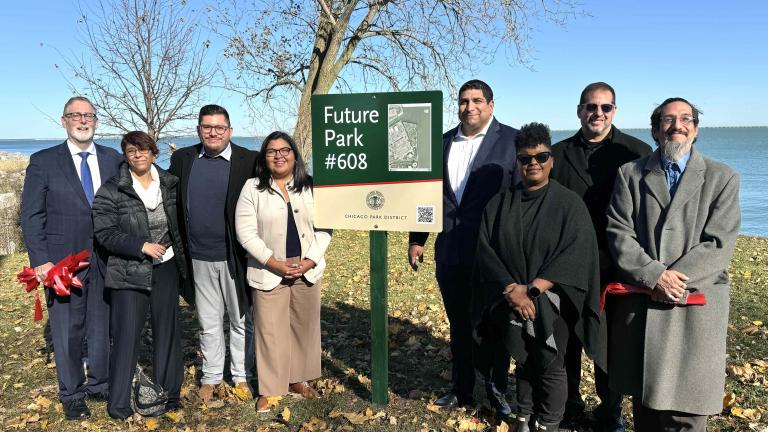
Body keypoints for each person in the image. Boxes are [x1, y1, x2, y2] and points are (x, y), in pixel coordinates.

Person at [605, 97, 740, 431]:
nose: (676, 126)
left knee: (688, 412)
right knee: (646, 405)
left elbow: (718, 242)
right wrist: (655, 276)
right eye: (667, 120)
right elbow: (618, 233)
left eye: (685, 119)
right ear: (655, 130)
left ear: (695, 129)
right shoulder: (630, 175)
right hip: (644, 303)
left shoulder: (722, 177)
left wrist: (675, 280)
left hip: (696, 303)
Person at [473, 122, 604, 431]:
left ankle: (549, 421)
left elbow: (576, 251)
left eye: (541, 157)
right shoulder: (500, 203)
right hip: (511, 296)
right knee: (523, 360)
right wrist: (511, 290)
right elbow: (486, 248)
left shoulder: (569, 203)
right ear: (517, 162)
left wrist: (533, 290)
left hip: (551, 297)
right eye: (525, 158)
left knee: (549, 362)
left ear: (551, 159)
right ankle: (523, 415)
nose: (533, 163)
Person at [408, 79, 518, 415]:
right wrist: (417, 239)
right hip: (451, 251)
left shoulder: (512, 142)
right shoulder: (441, 144)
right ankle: (462, 390)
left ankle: (498, 393)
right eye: (463, 101)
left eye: (477, 100)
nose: (469, 107)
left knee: (493, 326)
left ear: (491, 105)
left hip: (494, 256)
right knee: (458, 324)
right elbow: (428, 197)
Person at [550, 82, 651, 432]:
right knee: (568, 341)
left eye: (605, 108)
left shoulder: (636, 152)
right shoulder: (556, 154)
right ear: (579, 110)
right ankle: (569, 405)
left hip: (617, 265)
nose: (598, 113)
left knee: (610, 345)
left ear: (615, 111)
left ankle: (611, 411)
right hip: (567, 264)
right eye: (591, 107)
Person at [20, 96, 122, 419]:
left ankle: (100, 383)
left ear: (96, 121)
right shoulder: (43, 161)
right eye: (75, 115)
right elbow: (31, 215)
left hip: (104, 257)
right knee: (66, 327)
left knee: (100, 322)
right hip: (61, 261)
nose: (82, 120)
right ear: (63, 121)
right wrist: (41, 260)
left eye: (88, 115)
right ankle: (72, 392)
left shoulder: (113, 159)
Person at [91, 131, 188, 419]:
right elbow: (105, 233)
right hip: (129, 270)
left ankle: (169, 395)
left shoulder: (170, 184)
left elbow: (181, 219)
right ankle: (119, 404)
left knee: (167, 330)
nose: (138, 155)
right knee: (126, 335)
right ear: (125, 155)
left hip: (167, 267)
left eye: (144, 150)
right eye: (131, 150)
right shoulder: (112, 189)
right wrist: (140, 246)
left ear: (154, 153)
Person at [234, 131, 331, 413]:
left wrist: (310, 261)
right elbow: (245, 232)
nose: (279, 155)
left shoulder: (310, 186)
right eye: (272, 151)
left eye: (285, 150)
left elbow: (325, 228)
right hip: (268, 269)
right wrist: (273, 262)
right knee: (270, 331)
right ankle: (270, 388)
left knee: (304, 327)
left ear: (295, 154)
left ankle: (298, 380)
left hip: (307, 268)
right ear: (264, 157)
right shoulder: (252, 188)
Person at [168, 104, 258, 401]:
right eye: (207, 127)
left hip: (237, 256)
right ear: (198, 130)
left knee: (240, 319)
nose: (213, 132)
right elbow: (162, 192)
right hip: (198, 257)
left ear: (230, 131)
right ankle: (211, 376)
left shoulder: (250, 160)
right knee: (208, 321)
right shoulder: (183, 158)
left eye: (220, 127)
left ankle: (242, 375)